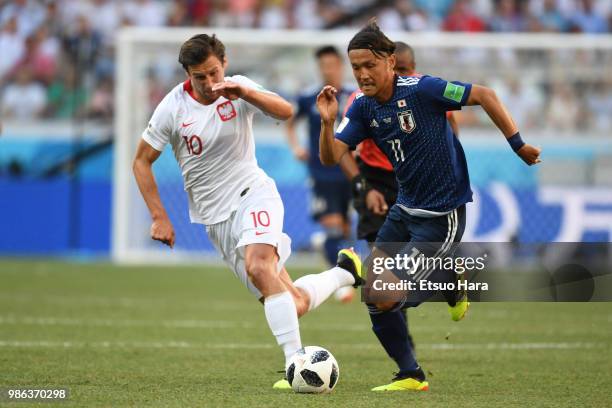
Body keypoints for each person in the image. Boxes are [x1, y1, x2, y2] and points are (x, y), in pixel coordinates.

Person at [317, 22, 541, 391]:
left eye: (369, 65)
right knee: (373, 296)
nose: (362, 74)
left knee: (385, 291)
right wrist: (327, 124)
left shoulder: (423, 89)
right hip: (404, 210)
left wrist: (518, 145)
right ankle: (410, 374)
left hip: (441, 216)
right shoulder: (361, 106)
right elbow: (331, 157)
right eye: (356, 68)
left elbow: (484, 94)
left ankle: (447, 281)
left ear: (391, 62)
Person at [132, 33, 363, 389]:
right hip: (216, 219)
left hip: (253, 193)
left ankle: (295, 364)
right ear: (187, 75)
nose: (209, 84)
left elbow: (286, 112)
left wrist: (246, 93)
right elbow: (141, 162)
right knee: (293, 302)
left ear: (224, 63)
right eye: (199, 77)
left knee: (258, 265)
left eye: (213, 72)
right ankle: (344, 272)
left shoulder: (238, 87)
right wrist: (160, 216)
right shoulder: (171, 108)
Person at [285, 45, 356, 303]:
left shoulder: (352, 95)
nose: (327, 69)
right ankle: (343, 284)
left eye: (331, 64)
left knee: (346, 229)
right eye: (323, 65)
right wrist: (296, 148)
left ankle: (323, 246)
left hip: (349, 172)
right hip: (321, 172)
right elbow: (289, 121)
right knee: (334, 228)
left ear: (340, 66)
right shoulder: (308, 97)